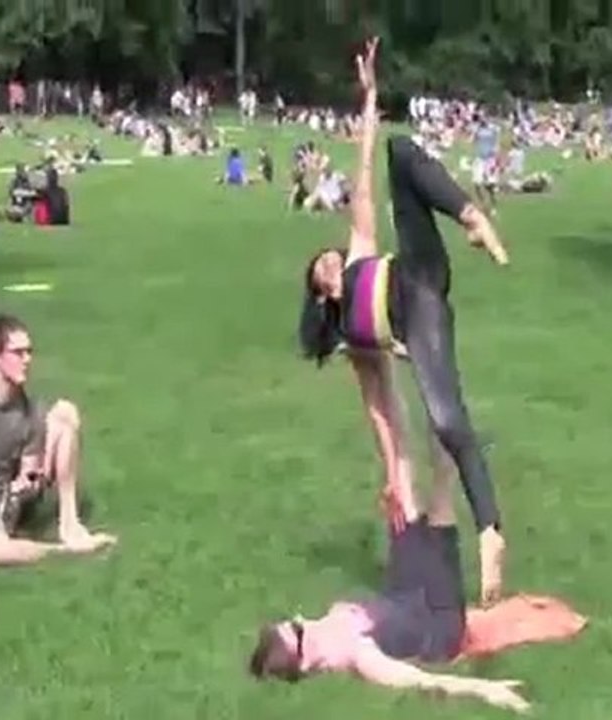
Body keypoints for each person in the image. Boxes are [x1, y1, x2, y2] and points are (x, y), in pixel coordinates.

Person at [248, 347, 586, 712]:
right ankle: (442, 401)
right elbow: (421, 680)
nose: (300, 618)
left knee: (403, 480)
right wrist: (487, 691)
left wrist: (376, 356)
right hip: (437, 620)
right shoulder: (357, 655)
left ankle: (396, 360)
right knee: (440, 489)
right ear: (305, 662)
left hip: (405, 591)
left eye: (290, 620)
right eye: (296, 630)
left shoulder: (329, 631)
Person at [298, 38, 510, 606]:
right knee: (447, 420)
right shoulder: (354, 339)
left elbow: (362, 169)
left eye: (328, 257)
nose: (329, 261)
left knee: (396, 152)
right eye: (320, 269)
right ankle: (491, 532)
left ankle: (470, 215)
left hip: (419, 272)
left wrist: (369, 97)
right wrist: (395, 472)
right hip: (422, 323)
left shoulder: (361, 249)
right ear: (320, 296)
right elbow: (382, 410)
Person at [0, 312, 117, 564]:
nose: (27, 360)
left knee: (65, 413)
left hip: (5, 498)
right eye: (18, 353)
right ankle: (65, 552)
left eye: (29, 352)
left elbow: (28, 472)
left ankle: (70, 523)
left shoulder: (30, 411)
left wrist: (27, 479)